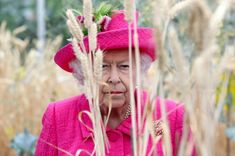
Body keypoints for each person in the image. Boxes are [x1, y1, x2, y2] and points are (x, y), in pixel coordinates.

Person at [35, 10, 193, 156]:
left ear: (140, 69)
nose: (114, 78)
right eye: (102, 66)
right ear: (83, 72)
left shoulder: (172, 116)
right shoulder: (58, 116)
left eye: (124, 66)